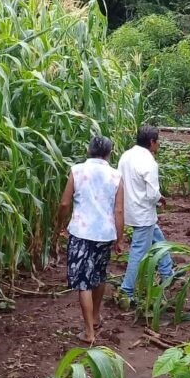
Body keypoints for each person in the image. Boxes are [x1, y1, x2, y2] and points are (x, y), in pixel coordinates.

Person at [58, 136, 124, 344]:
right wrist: (120, 238)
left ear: (89, 149)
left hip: (81, 232)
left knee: (83, 281)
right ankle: (95, 317)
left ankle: (88, 332)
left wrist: (60, 225)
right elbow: (119, 210)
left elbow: (64, 203)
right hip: (104, 233)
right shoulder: (116, 175)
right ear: (109, 153)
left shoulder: (77, 171)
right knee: (99, 275)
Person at [119, 125, 174, 303]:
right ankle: (127, 290)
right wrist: (159, 198)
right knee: (138, 251)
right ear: (152, 142)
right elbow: (151, 194)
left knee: (158, 238)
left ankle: (167, 272)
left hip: (129, 209)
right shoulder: (149, 163)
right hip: (143, 214)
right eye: (158, 142)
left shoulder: (126, 156)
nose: (158, 146)